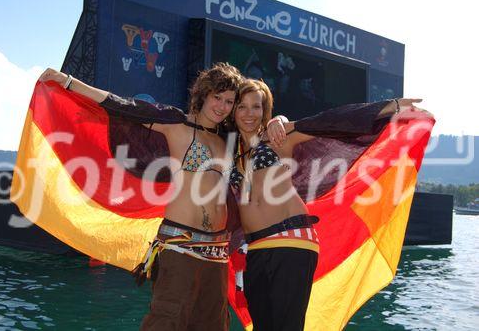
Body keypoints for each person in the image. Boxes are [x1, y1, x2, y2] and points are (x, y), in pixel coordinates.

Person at [38, 63, 244, 331]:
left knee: (212, 324)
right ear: (203, 94)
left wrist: (280, 121)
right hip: (181, 244)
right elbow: (122, 106)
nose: (222, 106)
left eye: (229, 101)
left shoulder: (226, 140)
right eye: (217, 97)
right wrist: (67, 81)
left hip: (218, 252)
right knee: (166, 320)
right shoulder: (176, 124)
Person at [228, 79, 423, 331]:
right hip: (255, 247)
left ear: (266, 110)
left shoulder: (278, 135)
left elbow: (329, 122)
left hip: (290, 238)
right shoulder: (231, 149)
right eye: (242, 106)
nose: (249, 113)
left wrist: (389, 106)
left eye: (256, 106)